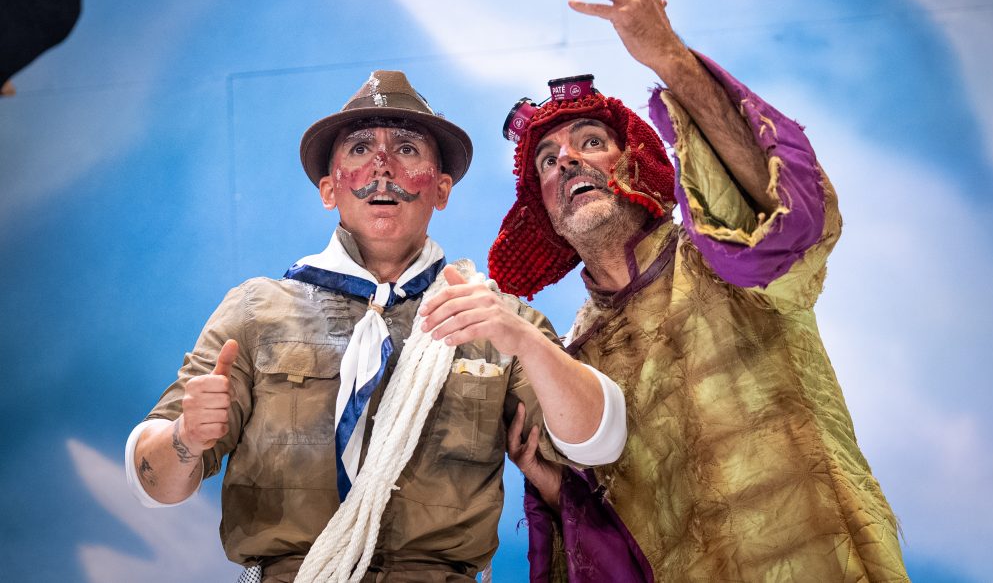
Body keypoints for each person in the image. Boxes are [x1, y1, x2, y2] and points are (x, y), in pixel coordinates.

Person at [494, 0, 909, 581]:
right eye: (548, 160)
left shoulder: (726, 259)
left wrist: (671, 58)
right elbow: (613, 553)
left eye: (590, 141)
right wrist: (561, 495)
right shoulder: (574, 365)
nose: (567, 159)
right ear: (544, 214)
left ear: (636, 163)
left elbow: (787, 217)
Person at [125, 70, 627, 582]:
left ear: (442, 188)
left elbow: (596, 447)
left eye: (406, 149)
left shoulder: (496, 321)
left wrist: (526, 342)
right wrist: (185, 437)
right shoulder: (255, 312)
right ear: (328, 188)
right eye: (361, 148)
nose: (382, 166)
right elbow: (155, 485)